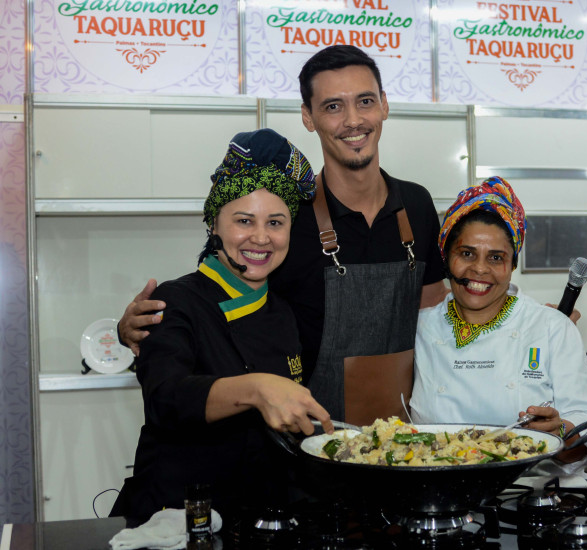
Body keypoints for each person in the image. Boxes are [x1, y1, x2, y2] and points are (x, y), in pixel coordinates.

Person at [117, 45, 447, 425]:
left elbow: (433, 320)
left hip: (404, 432)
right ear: (308, 117)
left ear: (385, 106)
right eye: (333, 106)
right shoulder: (287, 217)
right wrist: (146, 327)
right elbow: (215, 299)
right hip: (308, 437)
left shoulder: (417, 206)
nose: (353, 120)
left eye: (365, 101)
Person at [110, 129, 334, 522]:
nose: (261, 237)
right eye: (244, 220)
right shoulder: (175, 299)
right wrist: (256, 389)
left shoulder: (283, 311)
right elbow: (166, 397)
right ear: (214, 223)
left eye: (276, 223)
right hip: (178, 515)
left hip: (257, 513)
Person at [410, 176, 587, 483]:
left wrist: (560, 433)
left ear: (512, 265)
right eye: (466, 254)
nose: (479, 269)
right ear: (446, 258)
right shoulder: (419, 329)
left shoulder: (551, 327)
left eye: (496, 258)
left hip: (538, 497)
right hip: (443, 497)